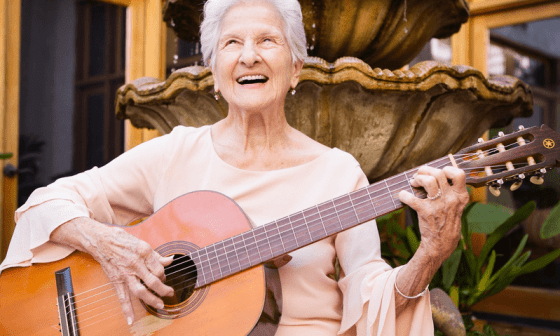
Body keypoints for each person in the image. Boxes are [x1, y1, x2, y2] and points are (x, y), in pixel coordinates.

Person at [0, 0, 469, 335]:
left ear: (296, 68)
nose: (249, 55)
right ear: (214, 71)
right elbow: (45, 204)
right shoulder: (175, 153)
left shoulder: (338, 172)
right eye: (232, 43)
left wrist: (429, 255)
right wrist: (107, 243)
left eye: (268, 40)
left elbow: (371, 296)